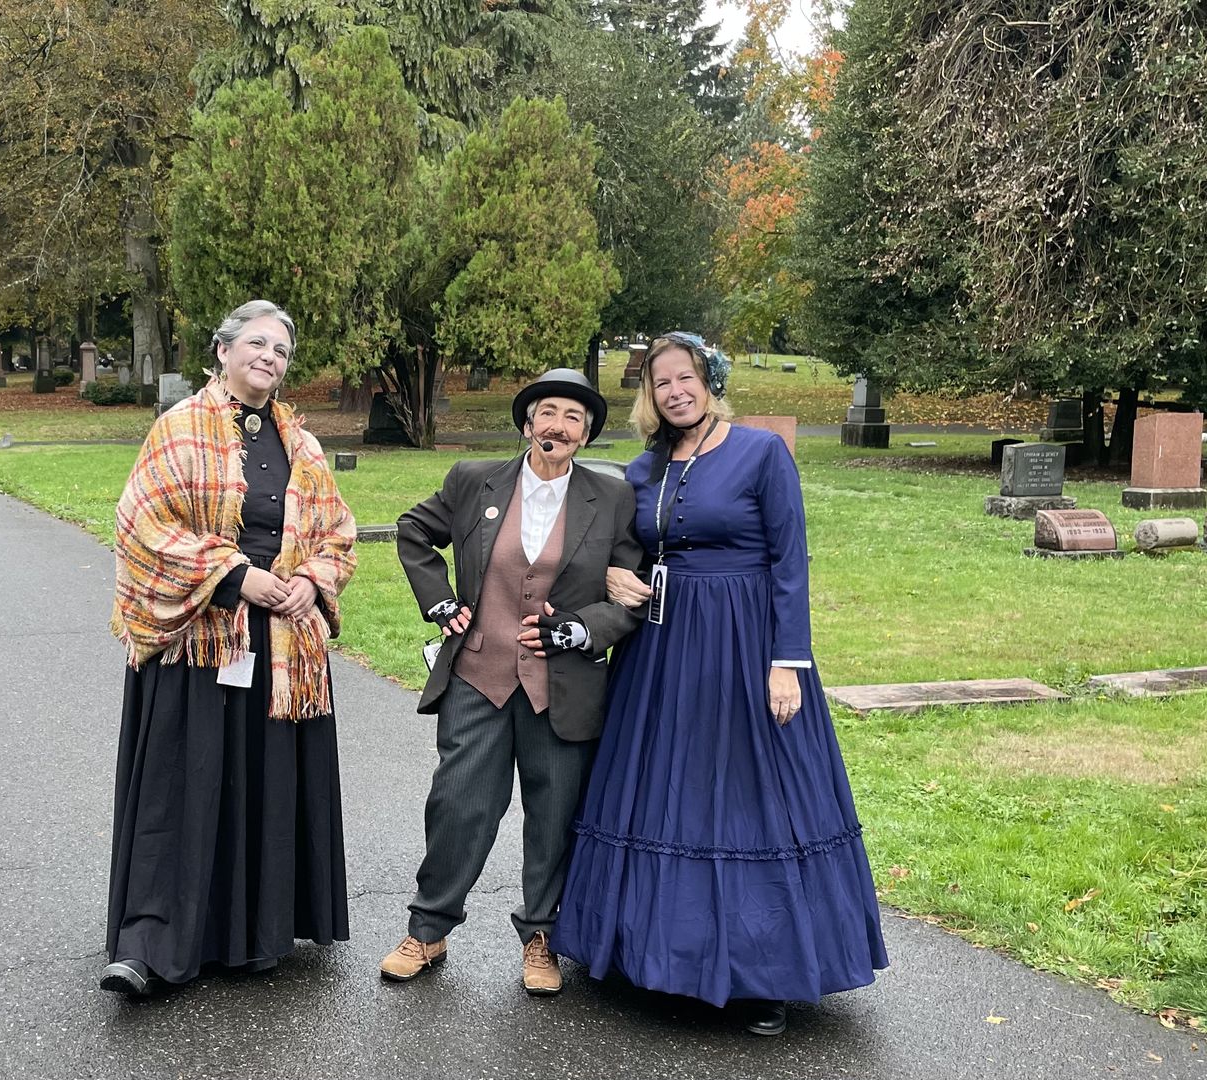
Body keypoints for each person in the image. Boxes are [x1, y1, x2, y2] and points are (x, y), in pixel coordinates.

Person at [552, 333, 889, 1035]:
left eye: (686, 378)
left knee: (744, 794)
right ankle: (667, 959)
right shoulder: (644, 470)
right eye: (660, 382)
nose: (675, 391)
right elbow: (628, 550)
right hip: (662, 652)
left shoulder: (760, 452)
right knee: (668, 791)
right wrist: (621, 579)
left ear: (710, 381)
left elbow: (790, 561)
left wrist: (786, 660)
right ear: (649, 395)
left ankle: (761, 976)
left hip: (742, 644)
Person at [102, 299, 358, 997]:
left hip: (282, 650)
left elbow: (338, 531)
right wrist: (235, 575)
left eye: (281, 350)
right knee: (184, 790)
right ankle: (150, 944)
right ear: (221, 351)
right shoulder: (178, 428)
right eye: (258, 343)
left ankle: (251, 934)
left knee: (261, 788)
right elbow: (142, 524)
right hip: (203, 640)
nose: (270, 357)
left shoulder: (299, 444)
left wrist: (310, 581)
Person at [382, 369, 646, 995]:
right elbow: (415, 531)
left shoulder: (611, 498)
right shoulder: (475, 481)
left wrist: (579, 629)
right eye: (547, 413)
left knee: (554, 814)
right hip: (480, 673)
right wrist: (440, 602)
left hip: (564, 686)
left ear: (586, 434)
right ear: (527, 424)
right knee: (459, 803)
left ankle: (542, 936)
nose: (558, 425)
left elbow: (629, 596)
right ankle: (428, 929)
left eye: (574, 417)